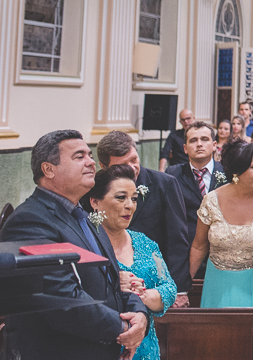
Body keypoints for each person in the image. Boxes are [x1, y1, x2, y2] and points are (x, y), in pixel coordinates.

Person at [0, 130, 151, 360]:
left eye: (90, 155)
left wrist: (139, 315)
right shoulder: (31, 220)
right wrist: (123, 329)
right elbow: (61, 300)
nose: (91, 162)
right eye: (79, 156)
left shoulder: (84, 217)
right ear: (48, 169)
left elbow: (113, 279)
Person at [87, 164, 177, 360]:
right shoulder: (86, 246)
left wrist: (142, 296)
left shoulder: (146, 243)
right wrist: (115, 289)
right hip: (103, 347)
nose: (130, 205)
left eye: (134, 199)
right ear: (95, 202)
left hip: (146, 346)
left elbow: (169, 287)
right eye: (121, 198)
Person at [94, 131, 192, 303]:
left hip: (153, 279)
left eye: (134, 159)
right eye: (123, 164)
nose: (132, 168)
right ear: (104, 166)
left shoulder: (165, 184)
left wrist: (179, 290)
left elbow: (177, 240)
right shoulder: (96, 191)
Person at [189, 139, 253, 308]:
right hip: (217, 284)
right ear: (236, 171)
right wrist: (182, 287)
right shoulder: (212, 200)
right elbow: (199, 245)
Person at [165, 121, 227, 246]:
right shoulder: (173, 174)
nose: (199, 144)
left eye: (204, 139)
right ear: (185, 148)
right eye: (193, 140)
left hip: (223, 245)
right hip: (186, 244)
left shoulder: (227, 173)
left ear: (214, 145)